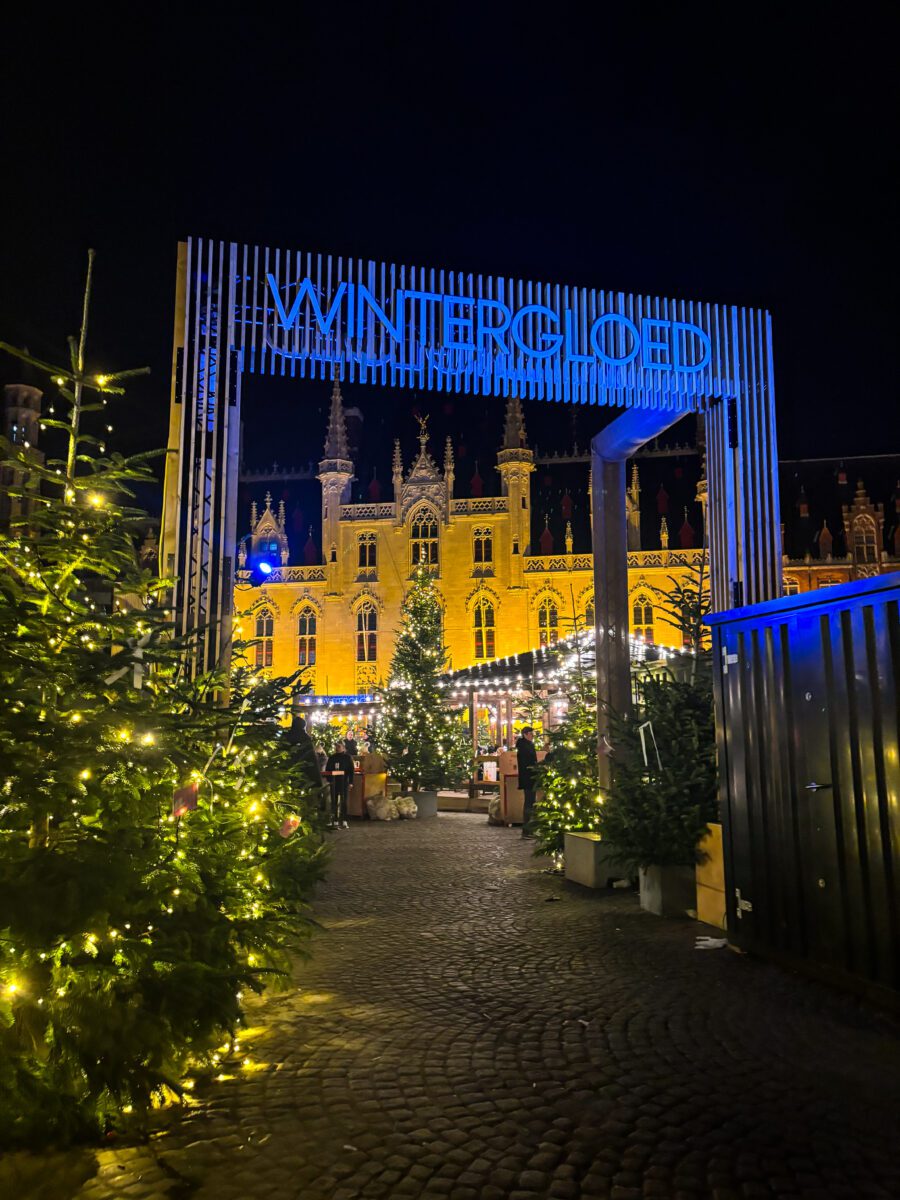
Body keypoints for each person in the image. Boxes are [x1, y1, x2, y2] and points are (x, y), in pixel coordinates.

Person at [325, 740, 356, 828]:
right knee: (333, 801)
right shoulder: (332, 757)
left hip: (343, 782)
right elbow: (328, 769)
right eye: (336, 746)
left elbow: (351, 771)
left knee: (344, 801)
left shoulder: (347, 757)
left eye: (339, 746)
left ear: (343, 747)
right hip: (334, 782)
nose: (337, 748)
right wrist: (329, 779)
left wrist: (351, 782)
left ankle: (344, 820)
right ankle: (334, 820)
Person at [515, 726, 539, 838]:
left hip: (531, 778)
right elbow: (528, 764)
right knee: (529, 803)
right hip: (528, 778)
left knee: (531, 803)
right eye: (530, 733)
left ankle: (529, 830)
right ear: (525, 734)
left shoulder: (528, 745)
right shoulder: (524, 747)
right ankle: (526, 831)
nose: (532, 735)